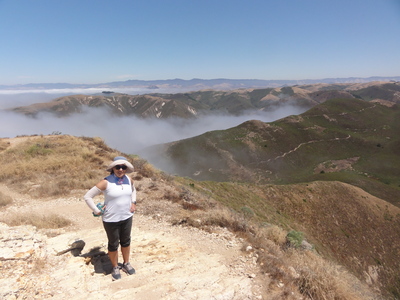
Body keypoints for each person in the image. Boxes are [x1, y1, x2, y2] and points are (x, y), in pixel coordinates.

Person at [84, 156, 137, 281]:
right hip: (111, 219)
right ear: (113, 168)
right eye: (117, 167)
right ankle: (114, 267)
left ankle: (126, 263)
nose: (120, 169)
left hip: (127, 216)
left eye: (123, 167)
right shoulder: (106, 182)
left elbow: (133, 190)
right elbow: (88, 196)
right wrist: (97, 211)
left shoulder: (129, 180)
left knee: (126, 241)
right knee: (113, 244)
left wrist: (133, 202)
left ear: (126, 169)